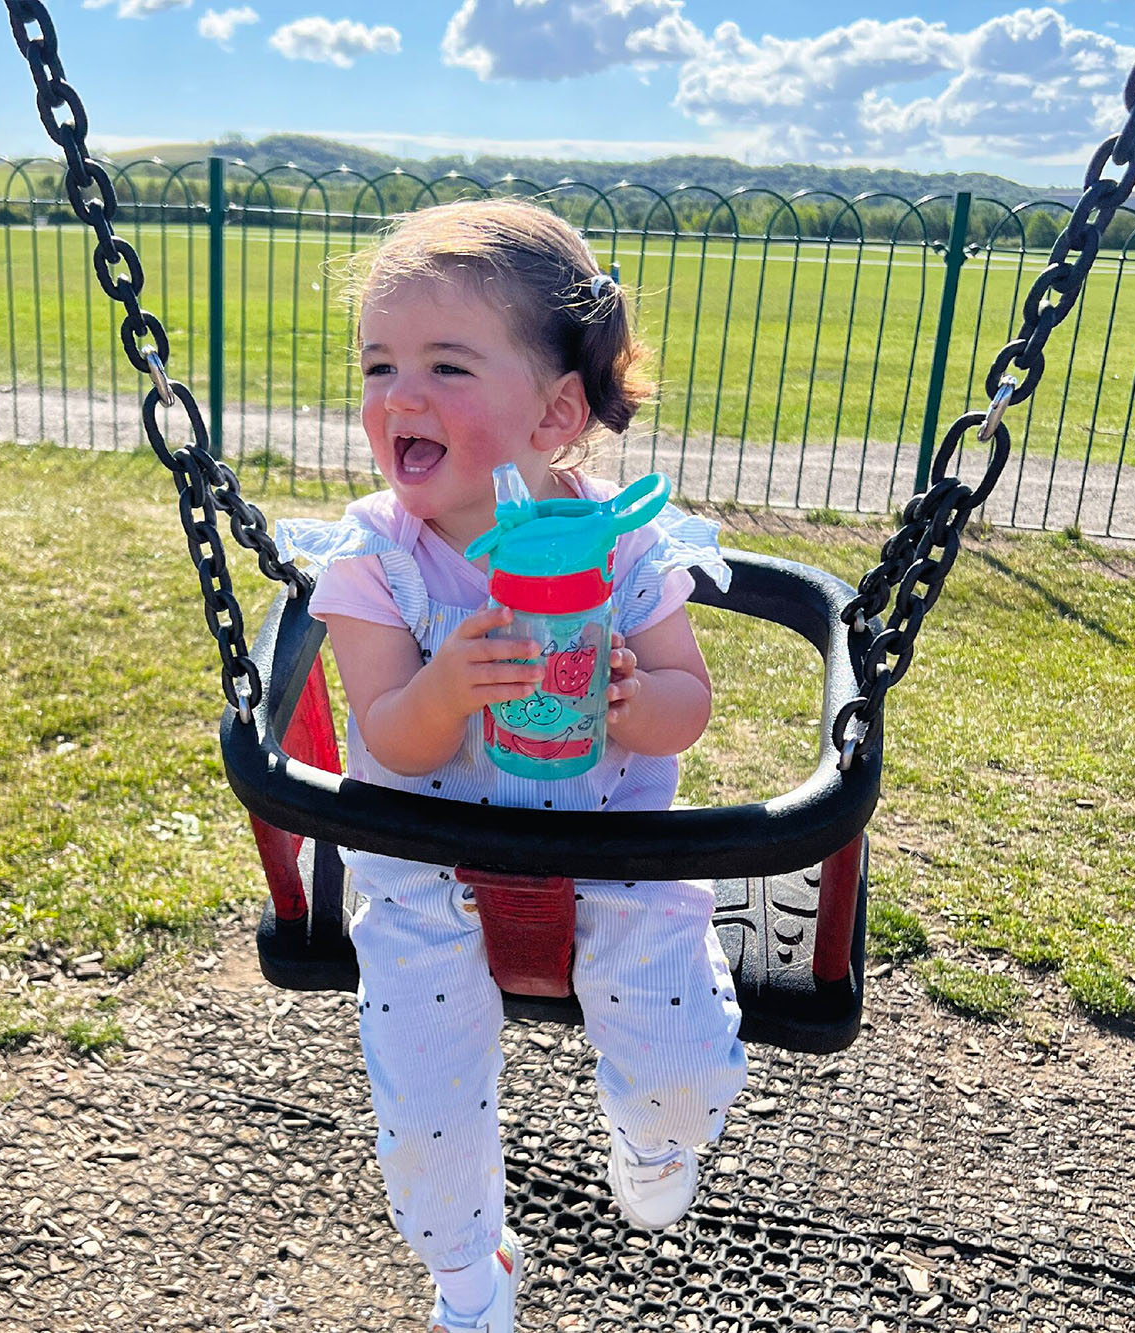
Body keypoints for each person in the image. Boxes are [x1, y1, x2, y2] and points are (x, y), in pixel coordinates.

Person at [276, 198, 748, 1333]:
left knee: (688, 1071)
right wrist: (444, 689)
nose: (400, 394)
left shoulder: (626, 541)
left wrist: (641, 700)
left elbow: (689, 703)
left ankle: (650, 1128)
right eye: (379, 363)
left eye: (445, 363)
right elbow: (387, 730)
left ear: (555, 411)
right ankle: (467, 1276)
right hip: (425, 870)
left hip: (612, 853)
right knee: (426, 1120)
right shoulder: (376, 558)